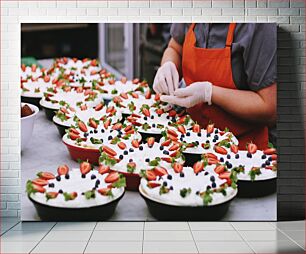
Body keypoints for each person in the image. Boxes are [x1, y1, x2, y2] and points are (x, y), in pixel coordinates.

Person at [153, 23, 277, 150]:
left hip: (243, 151)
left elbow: (269, 108)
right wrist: (168, 64)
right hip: (190, 139)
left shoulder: (257, 25)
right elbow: (175, 47)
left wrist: (209, 93)